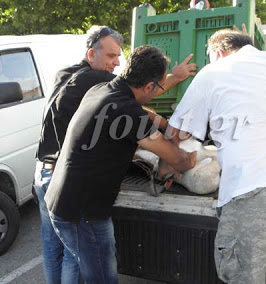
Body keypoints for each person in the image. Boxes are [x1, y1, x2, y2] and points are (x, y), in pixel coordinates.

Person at [33, 25, 196, 284]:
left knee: (79, 265)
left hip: (62, 201)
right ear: (150, 86)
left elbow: (109, 140)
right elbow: (177, 159)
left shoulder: (101, 90)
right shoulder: (129, 111)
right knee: (101, 276)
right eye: (159, 87)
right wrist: (193, 157)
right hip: (83, 212)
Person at [164, 29, 266, 283]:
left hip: (251, 189)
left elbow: (178, 133)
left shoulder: (212, 72)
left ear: (218, 53)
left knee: (244, 277)